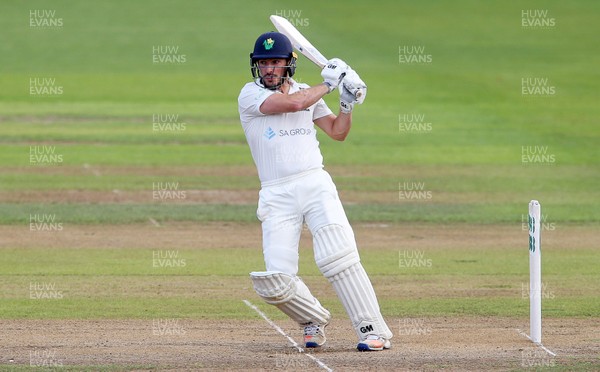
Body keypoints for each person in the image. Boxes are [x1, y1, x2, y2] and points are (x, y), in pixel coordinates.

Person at [238, 31, 393, 351]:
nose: (269, 69)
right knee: (275, 282)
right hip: (276, 194)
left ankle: (372, 330)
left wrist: (347, 105)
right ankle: (312, 319)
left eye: (275, 62)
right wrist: (333, 82)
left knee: (338, 257)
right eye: (263, 63)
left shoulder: (309, 92)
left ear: (288, 65)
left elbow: (337, 132)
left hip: (314, 184)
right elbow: (294, 103)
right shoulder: (250, 96)